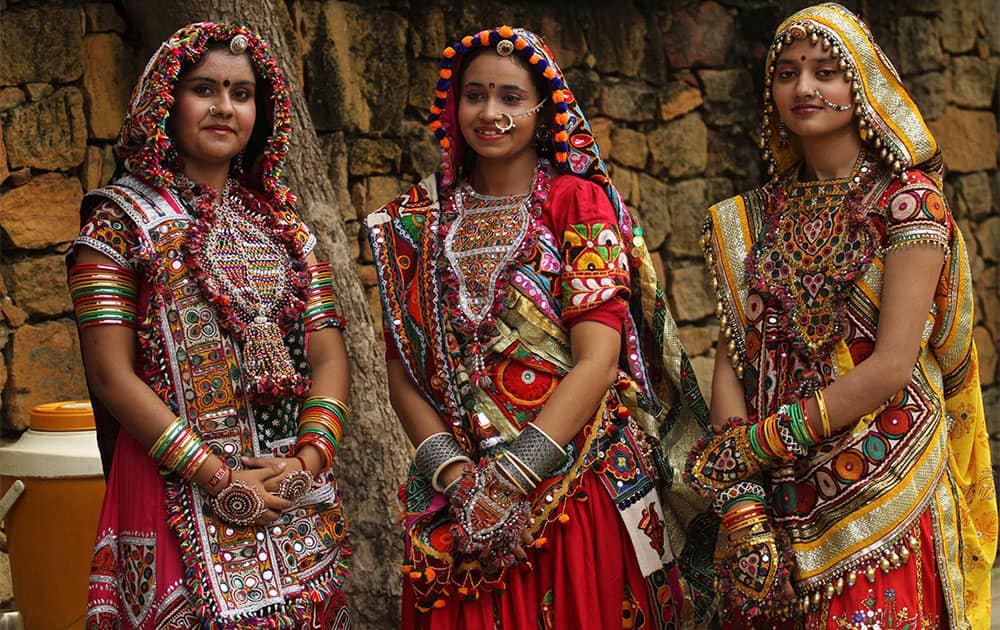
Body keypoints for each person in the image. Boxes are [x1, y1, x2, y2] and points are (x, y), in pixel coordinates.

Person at [366, 25, 712, 630]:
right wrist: (460, 480)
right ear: (453, 105)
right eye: (475, 95)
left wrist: (511, 477)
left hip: (573, 480)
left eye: (510, 98)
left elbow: (598, 360)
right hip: (456, 493)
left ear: (543, 111)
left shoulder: (577, 202)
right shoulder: (414, 221)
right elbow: (404, 375)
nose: (490, 113)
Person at [685, 4, 997, 628]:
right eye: (788, 73)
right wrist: (741, 496)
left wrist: (765, 442)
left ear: (861, 85)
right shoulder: (746, 220)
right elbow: (732, 362)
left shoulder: (908, 204)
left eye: (825, 71)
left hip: (883, 484)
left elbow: (892, 364)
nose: (804, 87)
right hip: (769, 495)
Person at [69, 22, 352, 628]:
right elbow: (111, 376)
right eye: (205, 89)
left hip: (289, 492)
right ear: (167, 101)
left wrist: (307, 461)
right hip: (173, 488)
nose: (225, 107)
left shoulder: (286, 228)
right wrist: (218, 478)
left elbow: (329, 359)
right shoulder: (120, 219)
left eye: (242, 93)